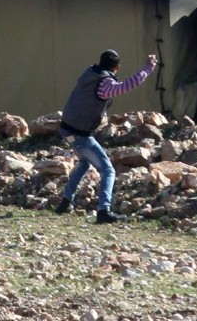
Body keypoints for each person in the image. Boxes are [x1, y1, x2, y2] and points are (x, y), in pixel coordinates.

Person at [55, 49, 158, 224]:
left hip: (66, 129)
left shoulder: (89, 73)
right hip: (80, 134)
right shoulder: (103, 84)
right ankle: (103, 210)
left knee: (84, 162)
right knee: (108, 170)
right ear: (117, 67)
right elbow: (125, 86)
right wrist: (148, 68)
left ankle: (65, 201)